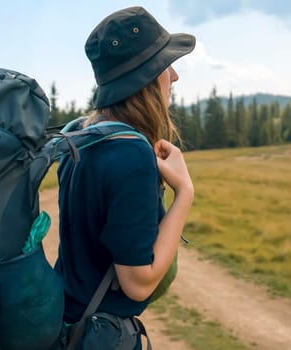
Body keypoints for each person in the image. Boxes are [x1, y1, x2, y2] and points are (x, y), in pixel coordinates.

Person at [55, 6, 195, 349]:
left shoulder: (82, 135)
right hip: (97, 335)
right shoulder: (130, 155)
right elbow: (138, 282)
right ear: (147, 76)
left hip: (64, 323)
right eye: (166, 64)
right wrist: (185, 192)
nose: (174, 75)